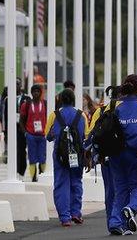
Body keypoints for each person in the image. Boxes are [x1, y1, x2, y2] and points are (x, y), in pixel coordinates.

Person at [106, 74, 137, 236]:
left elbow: (100, 128)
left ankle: (114, 222)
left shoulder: (113, 106)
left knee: (120, 189)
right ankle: (131, 208)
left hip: (115, 154)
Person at [45, 88, 87, 227]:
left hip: (60, 155)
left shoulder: (54, 115)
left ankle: (65, 217)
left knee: (61, 184)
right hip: (77, 154)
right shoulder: (81, 115)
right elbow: (86, 137)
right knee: (76, 182)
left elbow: (48, 136)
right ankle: (76, 212)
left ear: (61, 100)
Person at [85, 86, 117, 235]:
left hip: (105, 157)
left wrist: (89, 155)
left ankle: (111, 222)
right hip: (124, 158)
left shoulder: (101, 111)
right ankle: (121, 220)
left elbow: (91, 135)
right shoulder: (132, 108)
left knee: (110, 190)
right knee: (124, 189)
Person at [0, 79, 30, 180]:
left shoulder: (27, 98)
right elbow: (4, 116)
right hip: (12, 129)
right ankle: (14, 172)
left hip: (23, 129)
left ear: (20, 86)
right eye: (14, 84)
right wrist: (5, 132)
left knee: (22, 150)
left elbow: (30, 115)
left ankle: (21, 172)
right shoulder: (8, 99)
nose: (15, 86)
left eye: (17, 84)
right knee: (13, 151)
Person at [20, 83, 48, 181]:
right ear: (31, 93)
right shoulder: (26, 104)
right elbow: (22, 120)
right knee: (32, 157)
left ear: (40, 93)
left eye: (38, 91)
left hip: (43, 135)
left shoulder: (45, 103)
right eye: (34, 91)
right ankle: (33, 177)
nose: (36, 93)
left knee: (42, 157)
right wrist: (25, 133)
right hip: (31, 134)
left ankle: (42, 174)